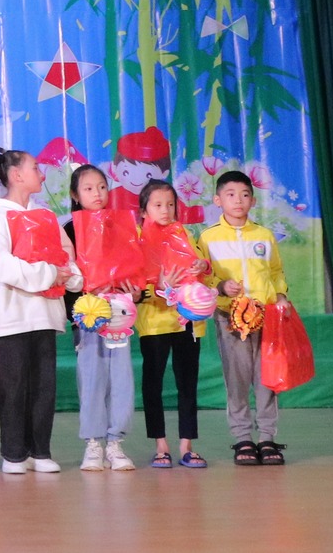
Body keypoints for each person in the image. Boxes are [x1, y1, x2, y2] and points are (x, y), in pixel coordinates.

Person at [0, 148, 80, 475]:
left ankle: (41, 451)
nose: (41, 173)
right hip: (11, 315)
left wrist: (71, 276)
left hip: (45, 313)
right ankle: (13, 454)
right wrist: (49, 273)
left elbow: (66, 256)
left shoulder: (46, 216)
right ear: (16, 175)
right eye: (35, 168)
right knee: (14, 385)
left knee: (44, 386)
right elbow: (2, 265)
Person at [201, 168, 292, 466]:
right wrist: (221, 286)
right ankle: (242, 437)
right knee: (237, 378)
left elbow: (275, 271)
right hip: (230, 317)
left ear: (253, 200)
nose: (238, 200)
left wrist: (280, 295)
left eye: (244, 195)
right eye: (230, 194)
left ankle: (267, 437)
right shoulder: (208, 238)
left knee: (267, 377)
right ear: (218, 200)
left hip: (266, 316)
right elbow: (204, 276)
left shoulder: (264, 235)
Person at [64, 163, 135, 472]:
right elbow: (65, 277)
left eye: (102, 187)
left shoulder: (121, 227)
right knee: (91, 379)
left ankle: (116, 443)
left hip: (119, 317)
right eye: (89, 188)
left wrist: (133, 290)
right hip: (88, 319)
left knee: (121, 379)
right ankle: (93, 443)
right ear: (75, 195)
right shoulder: (69, 230)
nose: (97, 193)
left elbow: (134, 269)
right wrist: (82, 305)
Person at [135, 179, 208, 469]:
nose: (165, 210)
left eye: (170, 204)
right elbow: (134, 284)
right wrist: (159, 287)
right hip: (154, 322)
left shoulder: (184, 233)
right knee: (153, 383)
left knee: (187, 382)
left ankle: (187, 445)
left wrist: (202, 265)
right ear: (144, 210)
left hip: (186, 320)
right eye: (157, 205)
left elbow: (201, 267)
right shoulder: (137, 238)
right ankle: (161, 445)